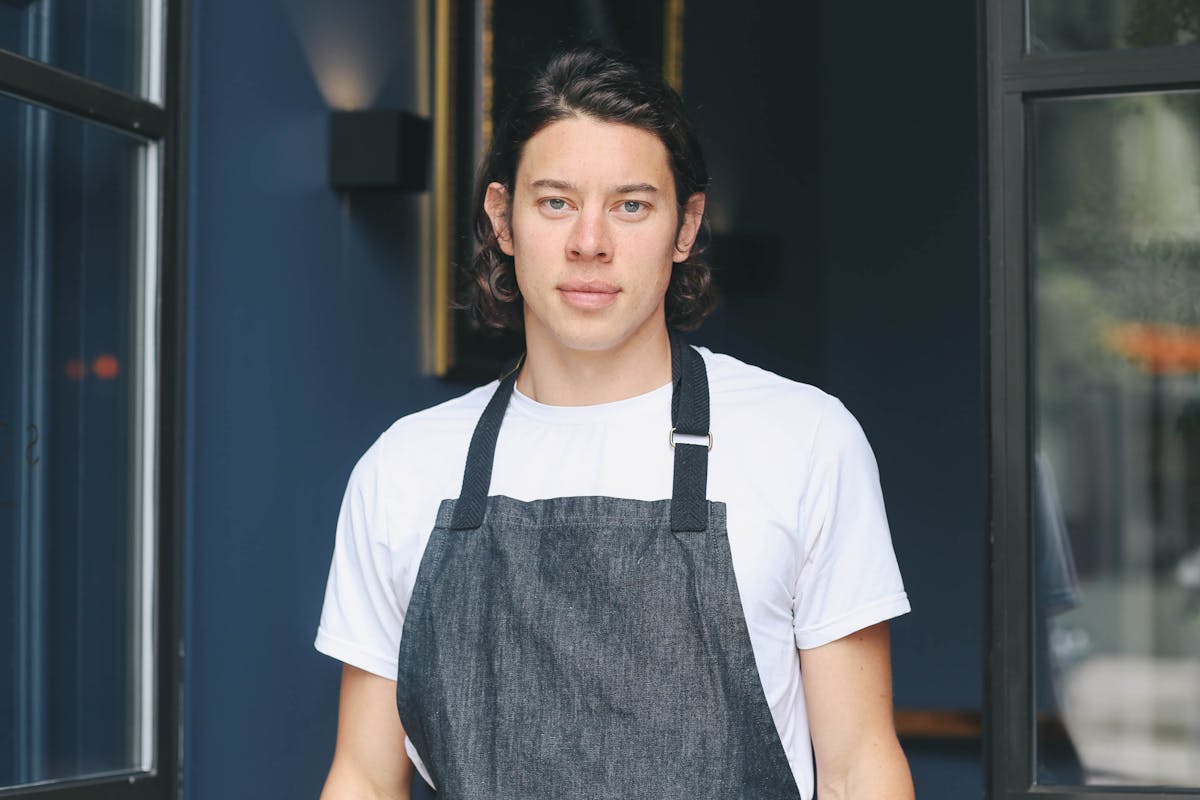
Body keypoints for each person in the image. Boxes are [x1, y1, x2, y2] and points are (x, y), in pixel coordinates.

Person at [316, 44, 913, 800]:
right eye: (556, 201)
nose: (589, 242)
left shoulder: (808, 441)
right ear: (503, 219)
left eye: (631, 205)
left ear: (686, 226)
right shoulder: (402, 469)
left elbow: (861, 764)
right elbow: (364, 776)